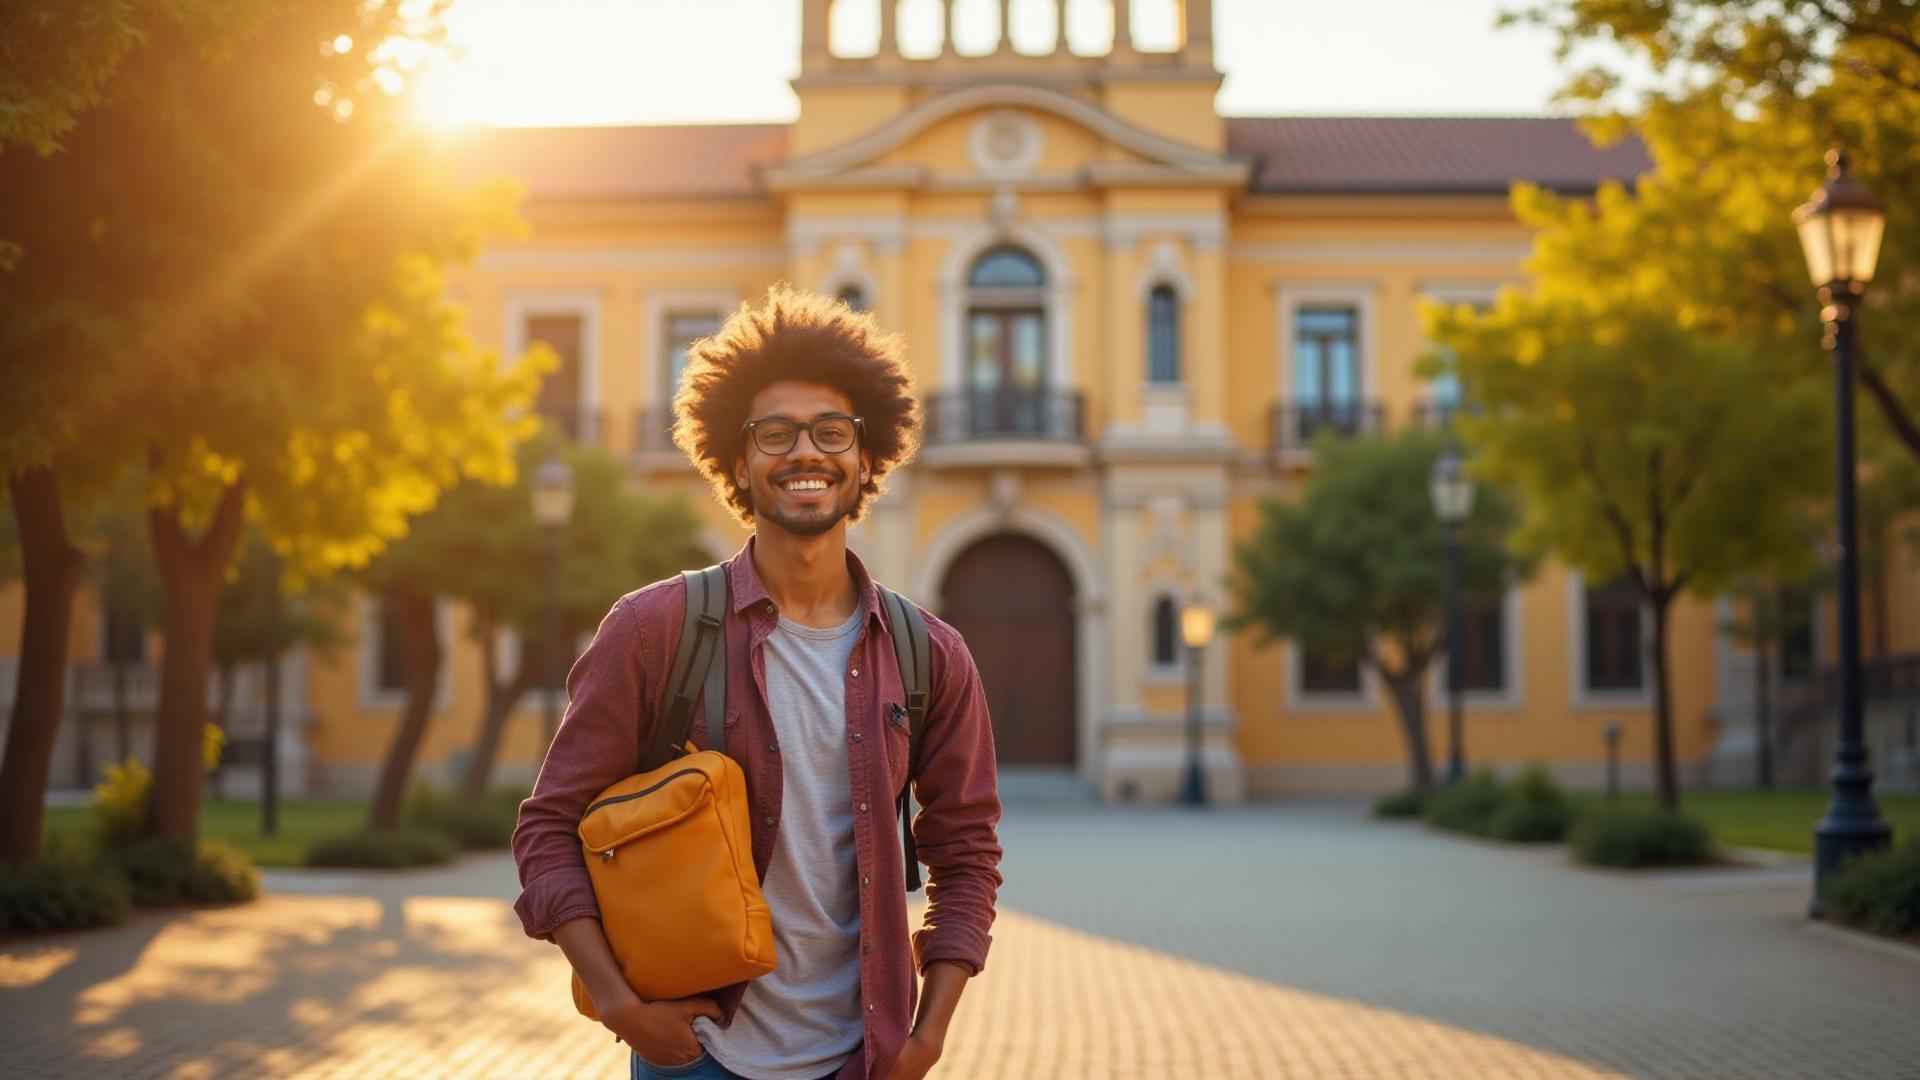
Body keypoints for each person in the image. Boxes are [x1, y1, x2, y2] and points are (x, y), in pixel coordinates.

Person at [511, 287, 1003, 1080]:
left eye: (831, 433)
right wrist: (619, 1005)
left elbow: (966, 853)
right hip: (698, 1056)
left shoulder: (929, 655)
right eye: (775, 434)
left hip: (863, 1059)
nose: (805, 452)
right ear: (737, 461)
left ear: (866, 458)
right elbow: (549, 829)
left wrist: (927, 1037)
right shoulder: (654, 628)